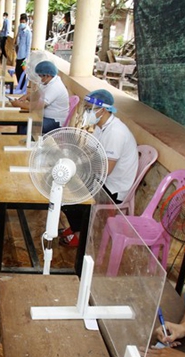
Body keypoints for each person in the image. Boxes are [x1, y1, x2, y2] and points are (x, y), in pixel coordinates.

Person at [60, 89, 138, 247]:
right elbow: (89, 151)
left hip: (113, 187)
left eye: (90, 109)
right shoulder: (100, 127)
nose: (87, 112)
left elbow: (106, 170)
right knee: (65, 184)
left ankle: (80, 233)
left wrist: (81, 169)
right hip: (102, 178)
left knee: (69, 197)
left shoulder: (116, 133)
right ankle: (76, 226)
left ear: (102, 110)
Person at [10, 60, 69, 134]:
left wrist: (19, 104)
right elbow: (37, 94)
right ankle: (20, 138)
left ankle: (24, 140)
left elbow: (38, 106)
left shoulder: (55, 87)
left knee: (27, 129)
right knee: (23, 122)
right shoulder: (47, 81)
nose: (40, 78)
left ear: (47, 75)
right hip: (44, 116)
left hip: (54, 121)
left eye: (40, 76)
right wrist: (26, 96)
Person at [14, 13, 31, 83]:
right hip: (19, 55)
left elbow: (28, 45)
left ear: (26, 22)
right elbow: (17, 39)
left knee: (22, 72)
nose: (22, 24)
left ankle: (22, 86)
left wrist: (26, 59)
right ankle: (19, 84)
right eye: (21, 22)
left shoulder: (28, 32)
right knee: (17, 71)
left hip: (24, 57)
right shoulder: (20, 28)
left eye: (23, 22)